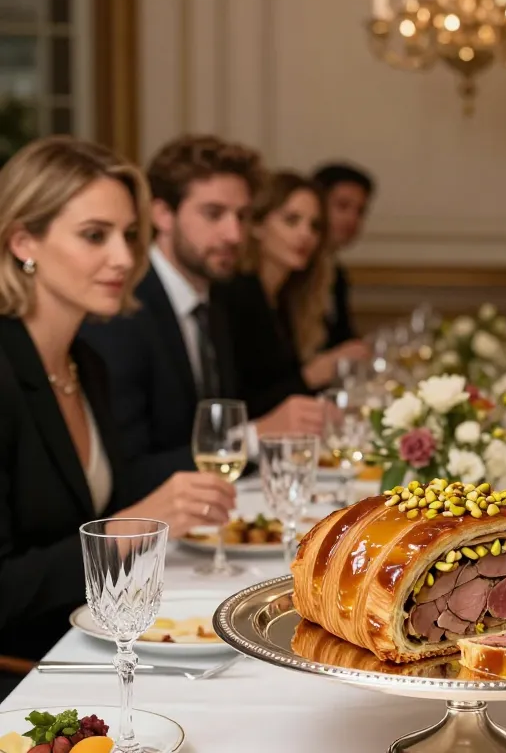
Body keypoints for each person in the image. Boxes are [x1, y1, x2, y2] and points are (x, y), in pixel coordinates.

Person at [0, 136, 235, 671]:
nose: (125, 258)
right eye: (94, 236)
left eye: (130, 235)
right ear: (23, 243)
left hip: (96, 640)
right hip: (28, 674)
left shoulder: (85, 364)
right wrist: (137, 522)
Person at [80, 135, 324, 498]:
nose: (234, 234)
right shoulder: (124, 311)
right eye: (214, 214)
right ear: (163, 214)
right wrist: (255, 437)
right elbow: (127, 475)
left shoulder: (217, 298)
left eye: (241, 216)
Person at [218, 171, 363, 417]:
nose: (305, 235)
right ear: (258, 226)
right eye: (291, 220)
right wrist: (310, 375)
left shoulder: (287, 297)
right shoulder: (235, 295)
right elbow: (241, 404)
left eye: (314, 226)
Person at [311, 162, 374, 354]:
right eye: (342, 206)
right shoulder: (294, 273)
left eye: (360, 211)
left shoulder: (337, 274)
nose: (352, 219)